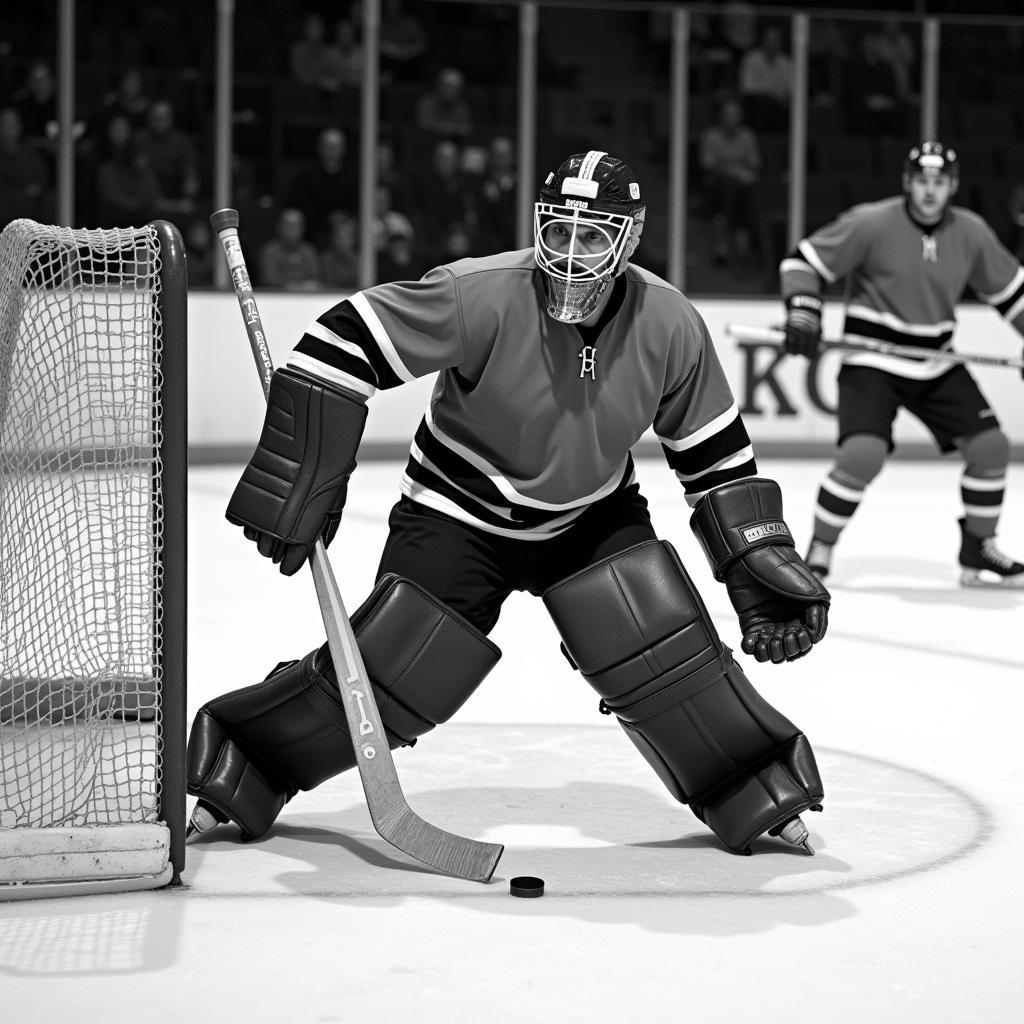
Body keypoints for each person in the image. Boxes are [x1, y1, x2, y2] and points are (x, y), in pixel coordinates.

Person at [186, 150, 831, 858]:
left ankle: (750, 786)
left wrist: (755, 559)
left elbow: (714, 458)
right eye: (559, 232)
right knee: (392, 677)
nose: (570, 254)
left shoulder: (670, 323)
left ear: (631, 237)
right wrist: (303, 466)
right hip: (455, 509)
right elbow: (342, 340)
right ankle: (243, 767)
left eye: (593, 237)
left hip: (591, 517)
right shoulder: (483, 292)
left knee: (662, 649)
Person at [780, 141, 1024, 588]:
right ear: (908, 183)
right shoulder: (871, 222)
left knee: (990, 447)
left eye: (940, 182)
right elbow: (804, 262)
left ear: (952, 186)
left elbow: (1011, 295)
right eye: (922, 181)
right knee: (863, 454)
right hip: (873, 357)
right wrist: (803, 309)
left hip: (936, 360)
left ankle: (979, 550)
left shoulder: (970, 231)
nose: (930, 191)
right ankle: (820, 547)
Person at [699, 95, 761, 268]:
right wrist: (733, 171)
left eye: (736, 114)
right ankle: (723, 246)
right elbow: (708, 164)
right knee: (727, 189)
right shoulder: (711, 136)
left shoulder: (748, 136)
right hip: (718, 184)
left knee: (746, 192)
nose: (732, 118)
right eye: (728, 114)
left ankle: (744, 245)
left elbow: (755, 163)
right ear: (720, 116)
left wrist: (739, 173)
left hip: (743, 185)